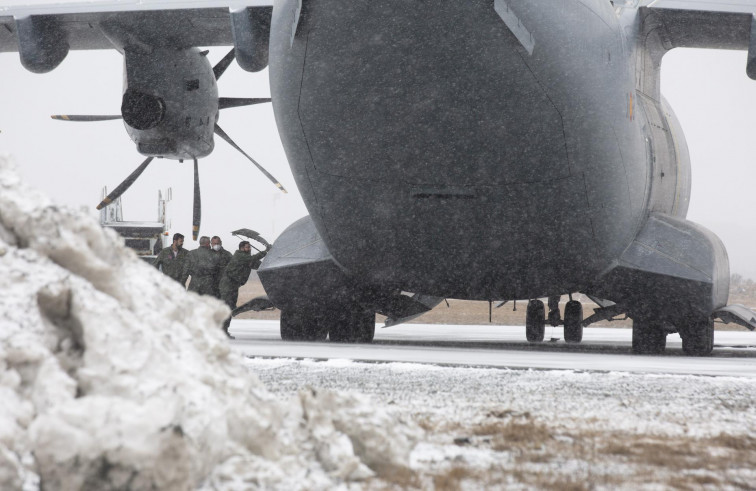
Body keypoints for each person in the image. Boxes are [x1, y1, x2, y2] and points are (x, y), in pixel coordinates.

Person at [219, 241, 268, 338]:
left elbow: (258, 264)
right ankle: (221, 331)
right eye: (247, 247)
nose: (249, 249)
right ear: (241, 248)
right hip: (227, 285)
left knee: (230, 307)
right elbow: (252, 258)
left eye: (249, 247)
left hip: (233, 286)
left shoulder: (246, 259)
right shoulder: (240, 256)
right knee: (227, 307)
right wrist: (265, 251)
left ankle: (223, 330)